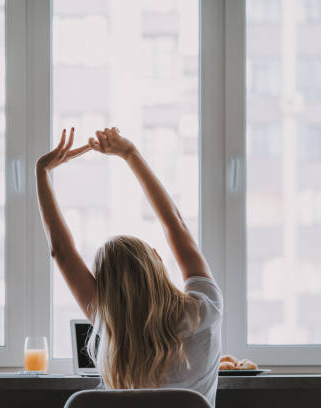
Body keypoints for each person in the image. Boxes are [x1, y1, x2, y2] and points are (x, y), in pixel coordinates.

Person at [35, 127, 223, 406]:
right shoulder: (204, 311)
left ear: (103, 288)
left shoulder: (108, 322)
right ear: (158, 260)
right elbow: (175, 224)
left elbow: (61, 253)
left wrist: (42, 172)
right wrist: (129, 153)